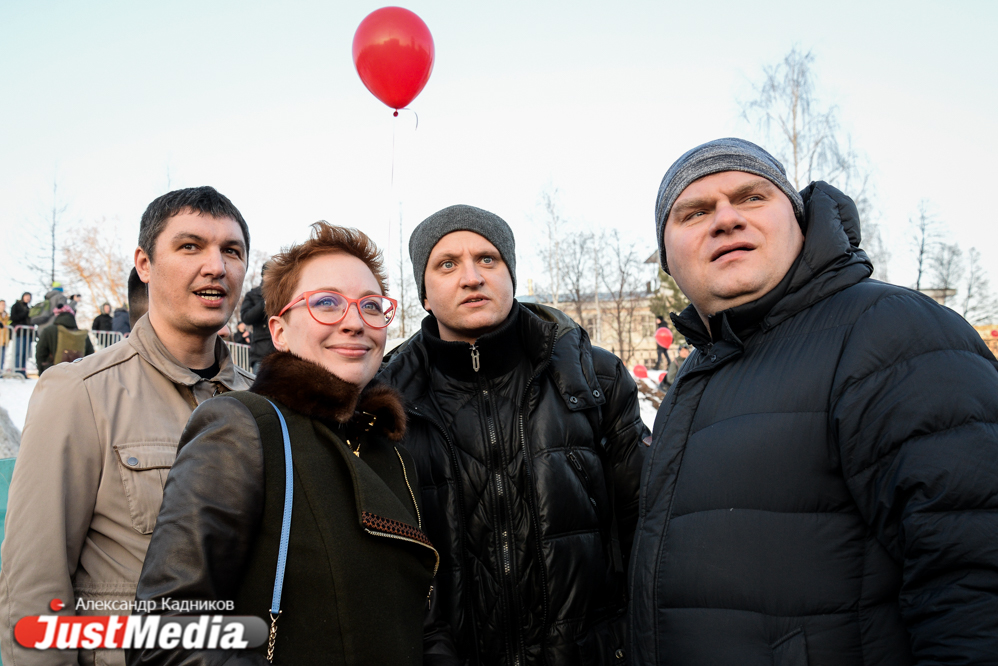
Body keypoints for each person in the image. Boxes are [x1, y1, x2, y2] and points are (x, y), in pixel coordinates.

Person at [629, 138, 998, 664]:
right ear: (667, 258)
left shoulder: (891, 331)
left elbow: (973, 579)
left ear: (799, 221)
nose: (726, 219)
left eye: (752, 197)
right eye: (694, 212)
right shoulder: (696, 376)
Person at [131, 222, 436, 665]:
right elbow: (165, 636)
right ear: (279, 332)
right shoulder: (243, 427)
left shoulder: (393, 453)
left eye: (371, 306)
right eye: (326, 303)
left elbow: (427, 619)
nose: (354, 322)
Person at [379, 205, 648, 666]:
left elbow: (645, 522)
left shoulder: (591, 376)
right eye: (447, 264)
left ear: (511, 274)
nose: (471, 277)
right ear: (424, 294)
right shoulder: (388, 402)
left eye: (488, 259)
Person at [0, 186, 254, 666]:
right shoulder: (80, 392)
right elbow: (33, 587)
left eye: (232, 251)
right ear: (144, 264)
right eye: (190, 246)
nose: (216, 266)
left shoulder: (264, 404)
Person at [35, 303, 94, 373]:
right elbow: (90, 356)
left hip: (53, 374)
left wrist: (42, 371)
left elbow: (40, 352)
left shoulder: (49, 330)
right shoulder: (82, 334)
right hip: (76, 375)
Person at [241, 261, 277, 373]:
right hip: (261, 353)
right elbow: (246, 317)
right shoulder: (252, 295)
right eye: (270, 274)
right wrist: (264, 303)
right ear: (263, 275)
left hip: (283, 352)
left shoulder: (282, 294)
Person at [9, 292, 31, 376]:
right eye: (27, 296)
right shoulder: (16, 306)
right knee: (19, 352)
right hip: (19, 333)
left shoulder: (29, 308)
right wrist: (25, 313)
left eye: (29, 297)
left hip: (27, 333)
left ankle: (23, 371)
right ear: (23, 297)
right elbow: (13, 317)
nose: (28, 298)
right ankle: (17, 371)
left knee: (25, 353)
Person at [0, 300, 8, 371]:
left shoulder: (6, 315)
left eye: (4, 304)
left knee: (2, 356)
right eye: (2, 304)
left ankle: (1, 370)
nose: (3, 306)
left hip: (4, 338)